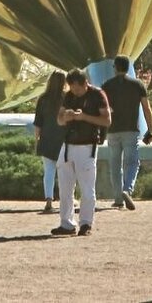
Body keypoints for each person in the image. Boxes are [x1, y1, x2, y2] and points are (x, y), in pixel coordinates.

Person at [49, 69, 110, 237]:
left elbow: (106, 120)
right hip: (68, 146)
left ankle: (85, 223)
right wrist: (66, 117)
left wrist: (84, 117)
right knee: (65, 187)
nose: (74, 91)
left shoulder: (97, 95)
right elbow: (59, 119)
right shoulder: (69, 96)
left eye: (77, 88)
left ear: (85, 84)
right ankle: (66, 223)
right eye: (72, 88)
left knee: (87, 188)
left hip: (87, 146)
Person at [100, 55, 152, 210]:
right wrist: (150, 129)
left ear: (115, 68)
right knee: (132, 162)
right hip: (131, 129)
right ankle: (127, 189)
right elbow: (146, 108)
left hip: (113, 130)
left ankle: (118, 198)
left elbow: (102, 109)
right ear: (127, 67)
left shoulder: (107, 85)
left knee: (115, 164)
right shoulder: (137, 85)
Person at [30, 71, 64, 213]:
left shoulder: (43, 99)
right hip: (63, 139)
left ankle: (49, 199)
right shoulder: (67, 98)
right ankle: (66, 198)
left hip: (47, 138)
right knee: (64, 172)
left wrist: (36, 140)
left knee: (48, 171)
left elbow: (38, 123)